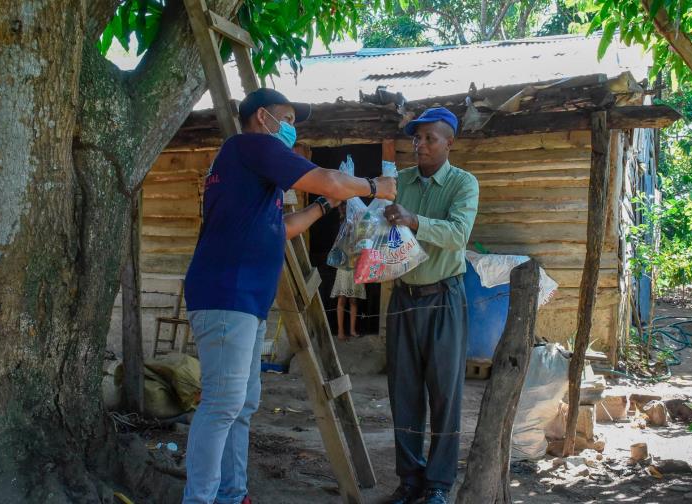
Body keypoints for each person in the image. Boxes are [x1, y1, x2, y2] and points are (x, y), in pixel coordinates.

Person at [182, 88, 396, 504]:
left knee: (241, 405)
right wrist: (374, 185)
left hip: (241, 299)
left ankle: (231, 493)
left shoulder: (246, 164)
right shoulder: (253, 146)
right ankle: (200, 499)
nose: (291, 128)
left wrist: (323, 207)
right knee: (223, 405)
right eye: (287, 118)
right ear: (262, 117)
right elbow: (331, 177)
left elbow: (278, 229)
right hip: (228, 294)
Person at [382, 107, 479, 504]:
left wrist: (413, 220)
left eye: (429, 139)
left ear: (449, 142)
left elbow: (458, 235)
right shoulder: (399, 181)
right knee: (403, 394)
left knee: (445, 394)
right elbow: (376, 219)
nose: (419, 145)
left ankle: (438, 484)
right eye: (416, 139)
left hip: (444, 298)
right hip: (403, 298)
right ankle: (410, 480)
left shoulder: (463, 184)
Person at [331, 203, 366, 340]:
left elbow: (361, 243)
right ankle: (340, 331)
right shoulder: (341, 226)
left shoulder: (357, 224)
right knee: (342, 299)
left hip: (355, 265)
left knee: (353, 300)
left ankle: (351, 330)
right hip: (344, 266)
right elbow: (338, 245)